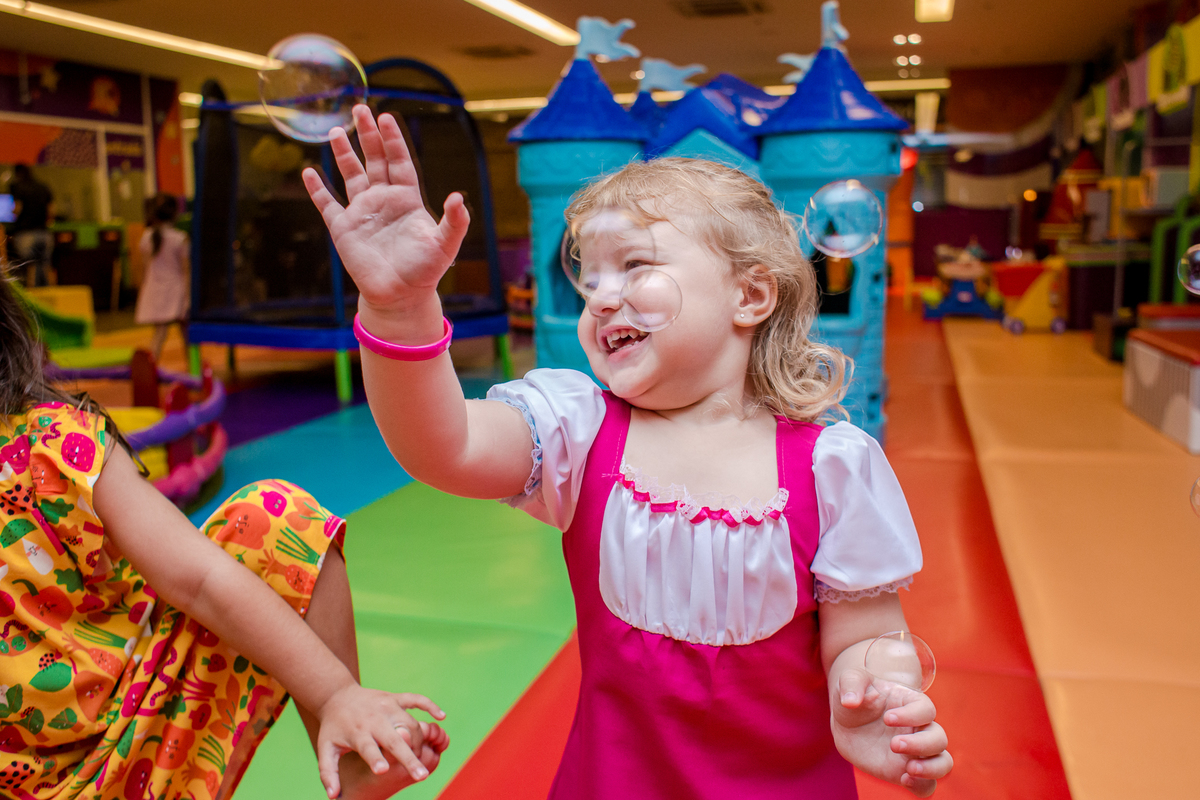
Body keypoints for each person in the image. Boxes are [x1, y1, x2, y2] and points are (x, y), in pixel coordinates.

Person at [304, 105, 953, 799]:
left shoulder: (832, 468)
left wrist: (877, 690)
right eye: (591, 280)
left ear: (751, 293)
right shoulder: (578, 432)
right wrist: (400, 309)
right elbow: (445, 446)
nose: (602, 300)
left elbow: (868, 634)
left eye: (634, 266)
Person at [0, 266, 448, 800]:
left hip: (133, 744)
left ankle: (352, 769)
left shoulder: (50, 445)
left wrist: (335, 696)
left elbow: (201, 579)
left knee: (270, 519)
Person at [135, 194, 190, 361]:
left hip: (156, 290)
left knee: (159, 334)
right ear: (175, 214)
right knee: (187, 335)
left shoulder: (146, 237)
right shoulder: (179, 239)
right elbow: (186, 271)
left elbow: (144, 268)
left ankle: (151, 371)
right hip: (176, 290)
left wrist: (144, 289)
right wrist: (188, 297)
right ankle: (194, 372)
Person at [8, 164, 54, 287]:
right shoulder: (43, 187)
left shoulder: (17, 186)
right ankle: (50, 296)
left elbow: (17, 209)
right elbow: (51, 211)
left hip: (25, 233)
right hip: (44, 233)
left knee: (28, 266)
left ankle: (32, 297)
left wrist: (10, 216)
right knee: (45, 265)